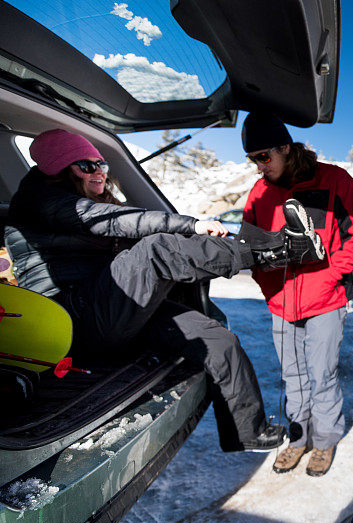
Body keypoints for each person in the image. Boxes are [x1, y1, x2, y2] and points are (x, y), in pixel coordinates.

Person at [4, 128, 320, 453]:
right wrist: (191, 225)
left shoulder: (78, 202)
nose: (98, 171)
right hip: (73, 319)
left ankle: (249, 432)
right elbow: (113, 221)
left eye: (101, 164)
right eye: (86, 165)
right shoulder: (41, 201)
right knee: (156, 250)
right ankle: (275, 252)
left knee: (217, 338)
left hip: (111, 308)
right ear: (59, 170)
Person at [241, 113, 353, 477]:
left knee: (322, 374)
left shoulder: (334, 181)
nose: (259, 166)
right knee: (293, 376)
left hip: (326, 301)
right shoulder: (259, 192)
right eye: (253, 159)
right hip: (281, 303)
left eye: (264, 157)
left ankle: (326, 441)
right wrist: (267, 284)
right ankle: (297, 440)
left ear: (286, 147)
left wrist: (330, 276)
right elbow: (249, 244)